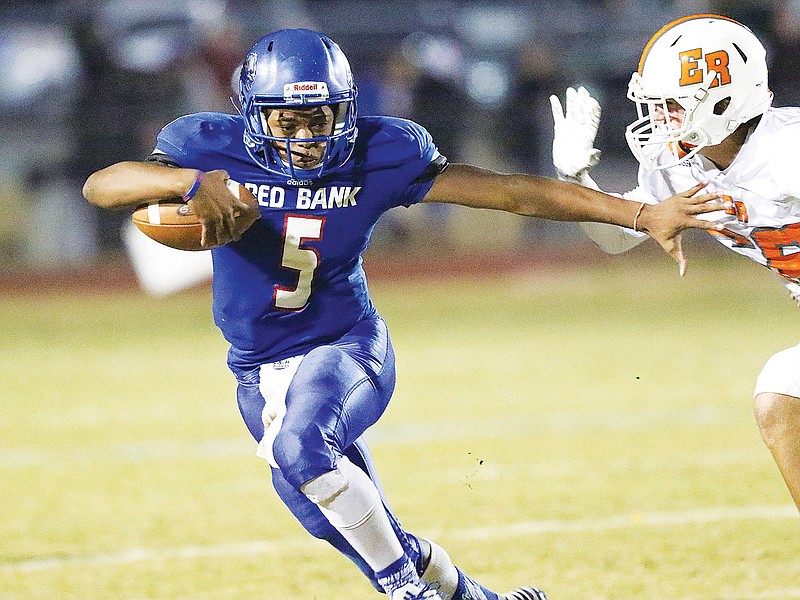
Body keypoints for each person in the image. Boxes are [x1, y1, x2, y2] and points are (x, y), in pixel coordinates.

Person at [83, 28, 726, 600]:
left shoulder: (379, 153)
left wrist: (641, 213)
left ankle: (408, 594)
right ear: (253, 116)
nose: (307, 137)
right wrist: (189, 184)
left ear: (346, 108)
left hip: (347, 347)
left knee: (304, 447)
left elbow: (508, 192)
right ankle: (466, 593)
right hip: (256, 369)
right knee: (341, 521)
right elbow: (103, 185)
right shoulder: (208, 148)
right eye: (288, 122)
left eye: (322, 116)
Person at [549, 14, 800, 513]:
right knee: (780, 399)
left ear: (724, 100)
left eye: (671, 105)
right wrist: (573, 177)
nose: (660, 118)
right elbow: (619, 239)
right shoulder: (683, 164)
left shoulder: (788, 151)